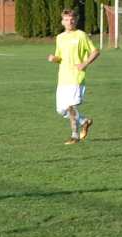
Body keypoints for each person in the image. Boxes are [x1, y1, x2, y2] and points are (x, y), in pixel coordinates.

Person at [47, 9, 99, 145]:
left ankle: (75, 136)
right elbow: (60, 57)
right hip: (62, 78)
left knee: (70, 107)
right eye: (66, 19)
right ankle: (84, 121)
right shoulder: (60, 37)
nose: (69, 22)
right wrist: (54, 59)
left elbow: (95, 51)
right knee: (61, 110)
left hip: (76, 77)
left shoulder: (81, 35)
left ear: (76, 20)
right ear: (62, 21)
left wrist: (84, 63)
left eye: (72, 19)